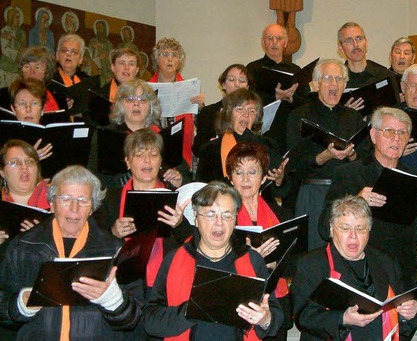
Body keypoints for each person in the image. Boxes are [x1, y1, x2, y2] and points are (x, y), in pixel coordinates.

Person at [0, 165, 142, 339]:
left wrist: (112, 300)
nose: (74, 208)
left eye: (83, 200)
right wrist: (21, 304)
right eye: (66, 199)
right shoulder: (23, 245)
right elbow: (3, 309)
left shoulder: (115, 249)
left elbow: (134, 320)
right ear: (51, 204)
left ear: (92, 208)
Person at [319, 107, 417, 294]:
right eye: (389, 131)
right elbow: (324, 228)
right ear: (374, 135)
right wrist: (356, 202)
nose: (396, 138)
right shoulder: (349, 174)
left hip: (402, 275)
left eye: (402, 133)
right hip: (359, 273)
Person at [143, 181, 283, 340]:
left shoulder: (251, 259)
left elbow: (275, 316)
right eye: (210, 214)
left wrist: (265, 319)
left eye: (227, 215)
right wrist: (191, 309)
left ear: (235, 220)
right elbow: (151, 320)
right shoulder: (174, 259)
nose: (219, 222)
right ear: (196, 218)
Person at [291, 195, 417, 341]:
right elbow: (303, 316)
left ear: (369, 230)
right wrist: (342, 319)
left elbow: (400, 312)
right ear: (332, 229)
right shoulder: (312, 263)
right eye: (345, 228)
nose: (353, 236)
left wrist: (407, 315)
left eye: (360, 229)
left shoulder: (386, 261)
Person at [93, 129, 188, 293]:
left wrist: (179, 224)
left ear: (160, 162)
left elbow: (194, 243)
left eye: (153, 155)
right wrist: (113, 233)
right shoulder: (109, 199)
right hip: (123, 284)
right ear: (128, 162)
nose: (147, 161)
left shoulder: (178, 196)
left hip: (167, 281)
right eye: (139, 155)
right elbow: (95, 246)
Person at [286, 59, 367, 250]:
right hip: (314, 194)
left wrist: (353, 155)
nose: (334, 84)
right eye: (328, 78)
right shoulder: (299, 115)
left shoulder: (353, 117)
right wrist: (324, 156)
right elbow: (293, 163)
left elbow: (367, 157)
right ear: (316, 84)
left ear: (345, 85)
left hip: (348, 194)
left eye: (339, 79)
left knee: (348, 251)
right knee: (315, 255)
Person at [227, 142, 293, 341]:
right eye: (239, 172)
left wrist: (276, 265)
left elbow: (295, 264)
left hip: (277, 299)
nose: (246, 179)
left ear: (264, 177)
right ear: (230, 179)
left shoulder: (282, 214)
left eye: (253, 172)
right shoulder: (223, 218)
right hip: (239, 302)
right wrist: (254, 260)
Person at [196, 88, 287, 191]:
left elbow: (282, 191)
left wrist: (280, 180)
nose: (246, 114)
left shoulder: (269, 144)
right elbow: (202, 191)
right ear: (229, 114)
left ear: (256, 118)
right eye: (240, 109)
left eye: (252, 111)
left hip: (260, 204)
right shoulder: (210, 149)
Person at [149, 37, 205, 170]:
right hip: (154, 148)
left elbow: (201, 125)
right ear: (157, 59)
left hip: (182, 154)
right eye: (165, 54)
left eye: (174, 55)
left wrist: (201, 107)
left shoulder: (189, 89)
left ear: (179, 61)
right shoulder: (146, 89)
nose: (170, 59)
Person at [246, 24, 301, 152]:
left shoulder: (296, 70)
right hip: (261, 130)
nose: (274, 42)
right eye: (270, 38)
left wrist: (291, 98)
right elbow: (248, 100)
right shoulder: (252, 68)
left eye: (279, 38)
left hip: (289, 130)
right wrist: (275, 97)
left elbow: (305, 103)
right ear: (263, 42)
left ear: (285, 43)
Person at [193, 64, 251, 157]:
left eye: (242, 80)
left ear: (247, 87)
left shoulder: (253, 112)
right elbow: (197, 149)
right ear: (223, 85)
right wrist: (211, 145)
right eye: (231, 80)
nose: (237, 84)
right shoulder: (209, 112)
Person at [0, 140, 50, 248]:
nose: (24, 167)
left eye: (30, 162)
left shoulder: (58, 199)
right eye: (15, 163)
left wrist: (46, 239)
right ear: (2, 172)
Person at [0, 46, 59, 113]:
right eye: (27, 67)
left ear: (46, 72)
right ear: (21, 70)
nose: (31, 71)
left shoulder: (57, 97)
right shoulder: (4, 95)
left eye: (37, 67)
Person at [6, 78, 53, 160]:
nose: (28, 109)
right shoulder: (4, 140)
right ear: (13, 109)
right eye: (22, 104)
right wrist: (30, 160)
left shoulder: (55, 137)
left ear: (43, 108)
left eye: (34, 103)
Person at [338, 22, 393, 90]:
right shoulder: (337, 79)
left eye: (359, 39)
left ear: (366, 43)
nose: (356, 45)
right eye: (349, 41)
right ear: (341, 48)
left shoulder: (384, 75)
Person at [88, 19, 114, 84]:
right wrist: (97, 58)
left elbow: (111, 59)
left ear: (104, 29)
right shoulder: (92, 41)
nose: (99, 30)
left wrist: (98, 48)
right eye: (97, 28)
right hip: (93, 71)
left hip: (105, 73)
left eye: (100, 27)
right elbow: (89, 56)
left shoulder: (109, 44)